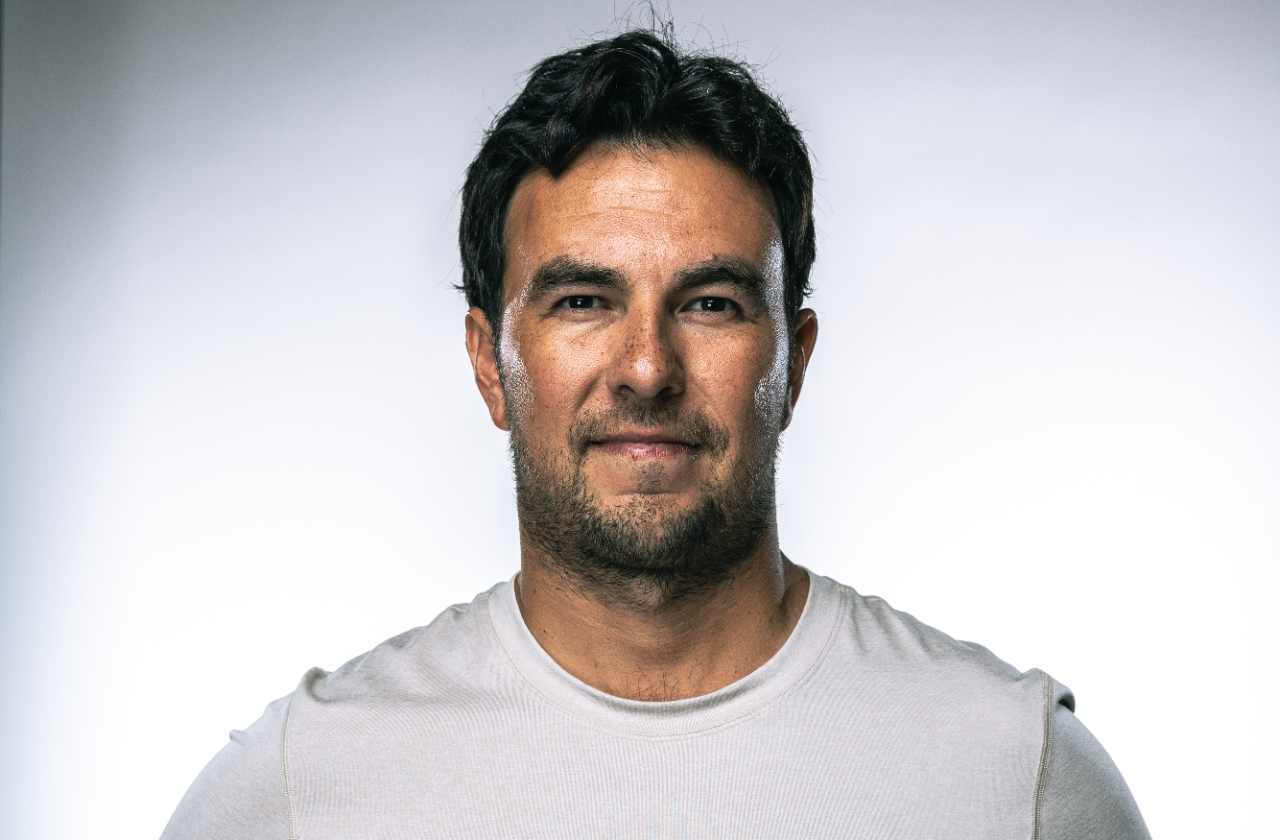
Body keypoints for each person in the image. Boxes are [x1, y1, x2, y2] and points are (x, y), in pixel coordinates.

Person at [162, 28, 1150, 839]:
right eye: (583, 299)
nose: (646, 367)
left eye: (711, 303)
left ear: (792, 362)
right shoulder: (302, 792)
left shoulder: (1016, 777)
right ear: (486, 363)